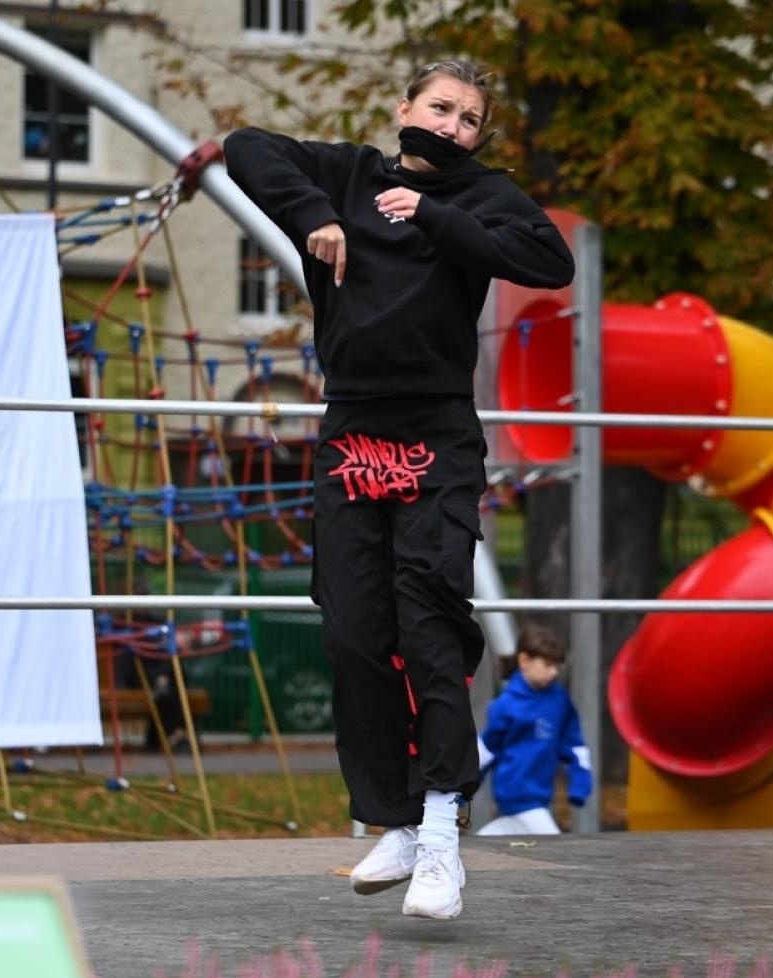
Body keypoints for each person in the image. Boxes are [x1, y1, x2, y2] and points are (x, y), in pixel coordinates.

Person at [224, 59, 575, 920]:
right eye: (440, 108)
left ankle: (445, 826)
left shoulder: (482, 196)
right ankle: (393, 816)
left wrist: (436, 214)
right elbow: (244, 148)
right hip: (351, 432)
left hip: (437, 435)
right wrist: (315, 218)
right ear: (404, 107)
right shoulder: (346, 174)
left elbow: (548, 258)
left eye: (469, 119)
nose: (452, 126)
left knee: (428, 619)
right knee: (350, 629)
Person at [475, 626, 591, 836]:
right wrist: (463, 787)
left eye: (557, 666)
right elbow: (487, 749)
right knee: (553, 846)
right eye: (547, 665)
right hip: (518, 793)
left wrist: (580, 784)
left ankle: (468, 849)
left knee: (503, 832)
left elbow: (574, 745)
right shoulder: (505, 705)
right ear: (524, 661)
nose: (554, 672)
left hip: (539, 795)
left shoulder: (559, 701)